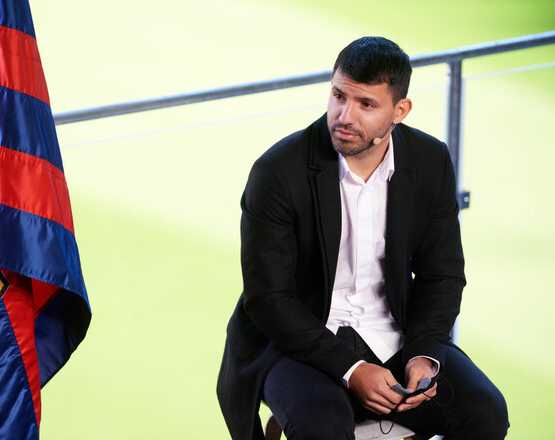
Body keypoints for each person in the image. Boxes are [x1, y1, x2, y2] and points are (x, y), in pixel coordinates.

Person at [216, 36, 509, 440]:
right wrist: (352, 369)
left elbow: (441, 275)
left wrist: (424, 356)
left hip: (394, 333)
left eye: (366, 104)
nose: (344, 116)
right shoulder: (277, 171)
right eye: (339, 96)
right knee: (322, 426)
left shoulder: (430, 161)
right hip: (295, 339)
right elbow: (269, 299)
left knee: (486, 412)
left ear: (400, 111)